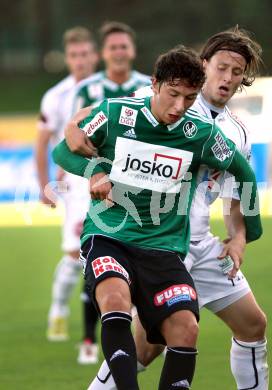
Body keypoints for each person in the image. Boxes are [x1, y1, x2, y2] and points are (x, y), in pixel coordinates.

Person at [53, 46, 262, 390]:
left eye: (190, 98)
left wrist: (246, 234)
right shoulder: (119, 111)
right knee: (115, 301)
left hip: (165, 247)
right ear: (154, 84)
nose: (179, 107)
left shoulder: (203, 133)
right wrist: (94, 171)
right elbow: (63, 150)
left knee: (185, 329)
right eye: (173, 95)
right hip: (110, 236)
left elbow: (243, 174)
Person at [73, 22, 152, 359]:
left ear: (132, 50)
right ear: (102, 53)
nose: (119, 52)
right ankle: (90, 338)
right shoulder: (88, 89)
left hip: (138, 186)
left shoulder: (148, 86)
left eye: (124, 46)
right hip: (96, 183)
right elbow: (74, 139)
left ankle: (128, 322)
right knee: (97, 258)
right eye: (113, 47)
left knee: (137, 250)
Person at [35, 26, 99, 363]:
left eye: (85, 54)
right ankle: (59, 306)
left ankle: (100, 332)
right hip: (75, 186)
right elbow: (43, 141)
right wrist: (44, 184)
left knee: (106, 252)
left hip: (107, 182)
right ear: (68, 57)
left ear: (95, 55)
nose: (80, 60)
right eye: (74, 55)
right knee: (75, 256)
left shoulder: (106, 91)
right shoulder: (56, 96)